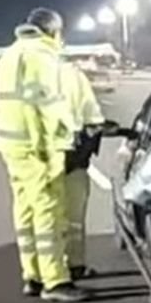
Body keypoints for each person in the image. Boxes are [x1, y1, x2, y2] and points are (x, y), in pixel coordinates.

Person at [0, 8, 90, 303]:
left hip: (12, 144)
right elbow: (51, 103)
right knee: (48, 210)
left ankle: (32, 275)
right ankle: (55, 282)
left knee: (25, 209)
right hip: (38, 146)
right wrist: (70, 133)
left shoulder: (10, 54)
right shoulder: (43, 57)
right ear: (53, 31)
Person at [60, 62, 109, 281]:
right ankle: (73, 266)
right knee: (73, 216)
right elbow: (93, 118)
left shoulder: (18, 74)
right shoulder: (71, 75)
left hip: (34, 158)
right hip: (72, 154)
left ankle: (37, 276)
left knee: (40, 218)